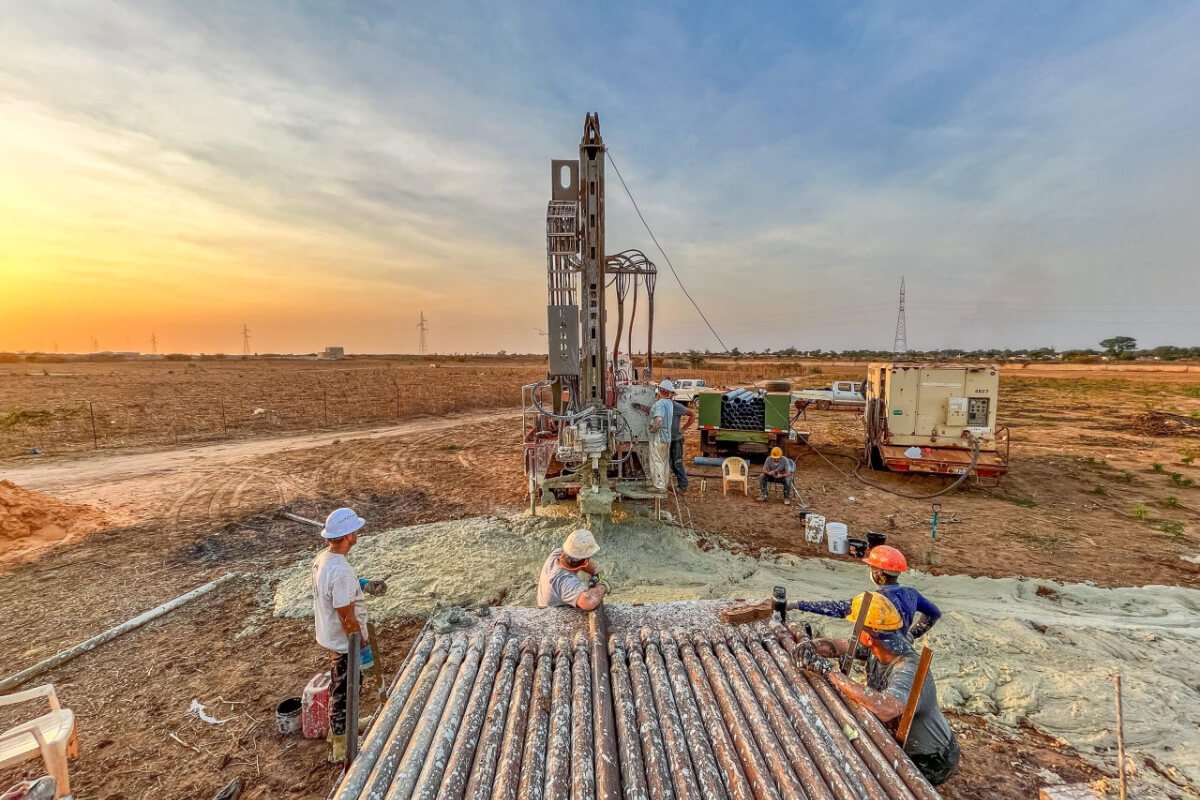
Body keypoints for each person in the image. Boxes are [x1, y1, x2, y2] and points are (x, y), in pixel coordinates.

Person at [796, 593, 960, 786]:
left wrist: (828, 672)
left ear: (869, 636)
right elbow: (838, 646)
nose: (855, 633)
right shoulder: (880, 646)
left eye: (859, 628)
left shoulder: (908, 669)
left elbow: (885, 708)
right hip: (909, 744)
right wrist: (812, 646)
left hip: (930, 758)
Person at [311, 507, 388, 761]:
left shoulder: (325, 559)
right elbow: (347, 616)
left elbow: (336, 590)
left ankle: (346, 727)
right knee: (344, 691)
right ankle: (341, 746)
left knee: (342, 686)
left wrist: (363, 584)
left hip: (332, 636)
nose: (358, 533)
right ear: (347, 535)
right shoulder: (340, 571)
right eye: (355, 530)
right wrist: (362, 648)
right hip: (345, 642)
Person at [788, 545, 941, 638]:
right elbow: (935, 613)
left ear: (879, 573)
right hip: (901, 645)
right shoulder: (911, 594)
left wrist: (797, 604)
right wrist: (912, 635)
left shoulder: (876, 600)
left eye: (872, 568)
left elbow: (836, 608)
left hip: (878, 651)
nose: (871, 571)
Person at [537, 528, 609, 610]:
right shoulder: (565, 581)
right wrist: (603, 586)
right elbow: (588, 602)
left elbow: (591, 565)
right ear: (584, 562)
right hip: (553, 616)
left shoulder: (557, 553)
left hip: (545, 605)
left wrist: (600, 575)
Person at [646, 380, 676, 493]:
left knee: (656, 460)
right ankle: (664, 484)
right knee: (664, 461)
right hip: (667, 437)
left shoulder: (660, 404)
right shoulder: (669, 403)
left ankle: (658, 486)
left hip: (658, 436)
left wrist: (653, 429)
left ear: (662, 390)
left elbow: (658, 420)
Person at [669, 395, 697, 492]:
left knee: (677, 462)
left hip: (677, 439)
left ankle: (683, 485)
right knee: (670, 463)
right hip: (668, 440)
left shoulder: (676, 406)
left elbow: (693, 415)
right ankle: (676, 484)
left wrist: (683, 429)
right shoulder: (661, 406)